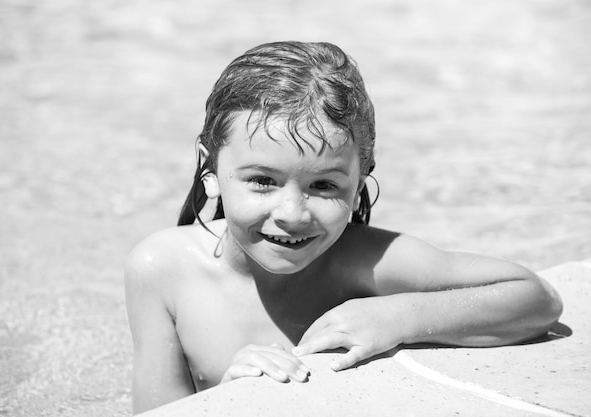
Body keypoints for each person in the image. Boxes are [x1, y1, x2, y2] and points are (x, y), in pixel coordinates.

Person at [124, 41, 563, 414]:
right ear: (210, 169)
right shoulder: (163, 270)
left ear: (359, 182)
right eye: (262, 181)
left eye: (323, 185)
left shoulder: (365, 264)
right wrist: (226, 399)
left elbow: (535, 298)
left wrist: (396, 317)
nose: (293, 213)